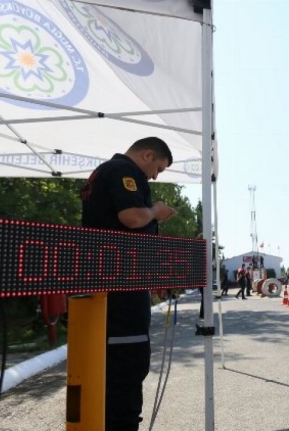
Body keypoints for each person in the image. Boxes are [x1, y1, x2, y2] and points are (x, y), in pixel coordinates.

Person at [80, 136, 177, 431]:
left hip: (106, 284)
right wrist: (155, 212)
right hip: (121, 290)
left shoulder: (102, 172)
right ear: (147, 155)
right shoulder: (124, 171)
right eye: (157, 168)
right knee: (128, 367)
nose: (155, 176)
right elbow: (132, 218)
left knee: (107, 373)